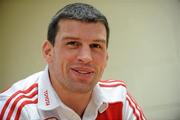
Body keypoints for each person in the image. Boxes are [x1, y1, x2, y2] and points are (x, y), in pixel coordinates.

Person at [0, 3, 146, 120]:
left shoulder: (119, 98)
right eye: (73, 43)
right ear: (48, 52)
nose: (86, 57)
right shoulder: (16, 108)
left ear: (106, 57)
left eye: (96, 45)